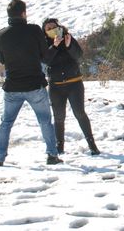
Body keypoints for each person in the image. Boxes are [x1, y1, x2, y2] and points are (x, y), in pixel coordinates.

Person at [0, 0, 62, 166]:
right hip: (34, 85)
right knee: (44, 120)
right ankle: (52, 155)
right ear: (24, 13)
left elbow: (2, 59)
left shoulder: (0, 35)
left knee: (6, 123)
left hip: (12, 86)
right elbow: (45, 56)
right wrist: (55, 45)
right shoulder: (33, 30)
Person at [42, 18, 100, 156]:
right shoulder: (45, 43)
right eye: (48, 29)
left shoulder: (68, 37)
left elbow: (78, 55)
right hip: (55, 86)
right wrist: (54, 46)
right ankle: (59, 147)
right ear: (44, 32)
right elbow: (45, 60)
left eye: (53, 27)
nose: (51, 30)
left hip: (74, 83)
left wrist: (69, 46)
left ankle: (92, 145)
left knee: (80, 113)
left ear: (59, 27)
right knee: (59, 117)